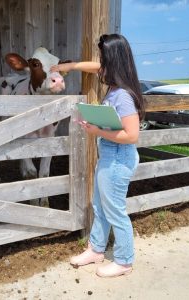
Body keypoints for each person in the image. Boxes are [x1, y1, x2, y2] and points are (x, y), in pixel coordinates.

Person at [51, 34, 145, 278]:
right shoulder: (114, 85)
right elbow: (95, 68)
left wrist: (98, 130)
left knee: (114, 210)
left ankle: (124, 261)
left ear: (113, 60)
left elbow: (132, 135)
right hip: (110, 155)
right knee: (100, 207)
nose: (100, 63)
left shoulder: (122, 95)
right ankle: (96, 249)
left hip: (118, 157)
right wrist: (69, 66)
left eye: (104, 57)